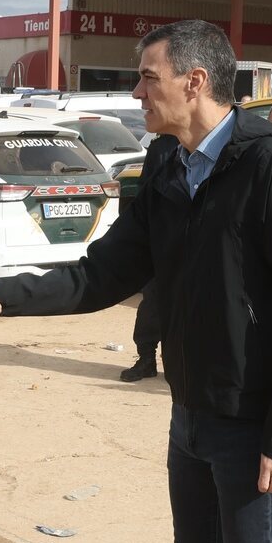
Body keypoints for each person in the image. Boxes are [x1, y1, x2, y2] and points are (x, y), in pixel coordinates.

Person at [0, 20, 272, 543]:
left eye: (148, 78)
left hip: (251, 430)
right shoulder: (168, 164)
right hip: (188, 419)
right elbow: (99, 276)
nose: (136, 92)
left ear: (194, 82)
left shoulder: (270, 166)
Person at [120, 132, 178, 382]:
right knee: (153, 302)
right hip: (162, 237)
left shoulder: (215, 143)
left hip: (199, 239)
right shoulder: (162, 147)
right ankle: (146, 358)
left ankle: (179, 365)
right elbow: (147, 192)